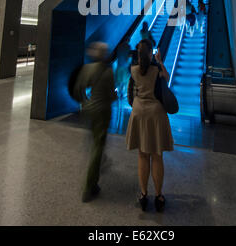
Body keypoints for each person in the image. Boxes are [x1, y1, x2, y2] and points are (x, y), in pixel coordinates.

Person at [126, 40, 173, 212]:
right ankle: (159, 196)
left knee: (142, 155)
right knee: (157, 155)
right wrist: (159, 60)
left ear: (138, 54)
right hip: (155, 115)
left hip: (139, 113)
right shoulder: (156, 70)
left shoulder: (133, 70)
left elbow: (130, 93)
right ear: (150, 53)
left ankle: (144, 195)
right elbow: (167, 79)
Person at [73, 42, 117, 202]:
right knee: (98, 148)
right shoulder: (108, 71)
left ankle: (96, 175)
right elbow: (112, 96)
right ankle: (89, 186)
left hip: (89, 110)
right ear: (104, 54)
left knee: (95, 142)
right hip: (102, 112)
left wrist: (85, 102)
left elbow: (78, 89)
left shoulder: (87, 68)